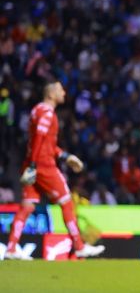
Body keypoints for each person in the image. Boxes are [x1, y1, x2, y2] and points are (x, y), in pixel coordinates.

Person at [4, 81, 105, 260]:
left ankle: (11, 248)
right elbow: (40, 139)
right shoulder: (48, 113)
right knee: (66, 202)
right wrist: (35, 165)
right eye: (60, 90)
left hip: (33, 163)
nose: (64, 92)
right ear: (51, 94)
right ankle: (79, 247)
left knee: (26, 207)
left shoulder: (37, 110)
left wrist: (65, 156)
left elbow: (44, 143)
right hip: (43, 166)